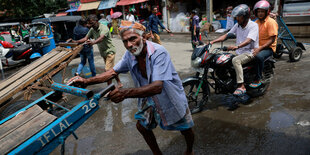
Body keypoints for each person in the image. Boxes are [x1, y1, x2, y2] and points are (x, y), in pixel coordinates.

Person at [69, 21, 195, 155]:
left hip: (169, 97)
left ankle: (189, 150)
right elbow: (112, 72)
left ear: (144, 37)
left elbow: (157, 87)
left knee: (185, 127)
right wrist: (86, 81)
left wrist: (124, 93)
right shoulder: (130, 54)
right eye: (125, 41)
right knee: (142, 126)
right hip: (148, 98)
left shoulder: (159, 52)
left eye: (133, 39)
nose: (129, 45)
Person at [210, 4, 259, 95]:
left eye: (239, 16)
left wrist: (237, 46)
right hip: (239, 52)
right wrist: (213, 41)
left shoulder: (253, 26)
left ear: (245, 16)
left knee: (236, 61)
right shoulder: (237, 25)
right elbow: (227, 35)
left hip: (250, 52)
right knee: (222, 59)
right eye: (236, 16)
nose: (237, 18)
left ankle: (241, 85)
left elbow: (249, 40)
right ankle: (226, 81)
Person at [71, 14, 122, 87]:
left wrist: (93, 42)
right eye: (89, 23)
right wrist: (75, 41)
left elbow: (101, 38)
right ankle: (119, 82)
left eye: (92, 23)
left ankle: (110, 89)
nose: (90, 25)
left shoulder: (103, 28)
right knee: (111, 70)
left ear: (97, 21)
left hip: (110, 51)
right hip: (103, 52)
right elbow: (86, 38)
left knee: (107, 71)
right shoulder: (92, 29)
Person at [250, 0, 278, 88]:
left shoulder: (271, 22)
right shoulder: (255, 23)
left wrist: (259, 48)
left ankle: (258, 78)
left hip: (268, 48)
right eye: (258, 11)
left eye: (262, 11)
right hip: (258, 47)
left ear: (267, 12)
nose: (260, 13)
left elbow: (272, 40)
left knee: (258, 56)